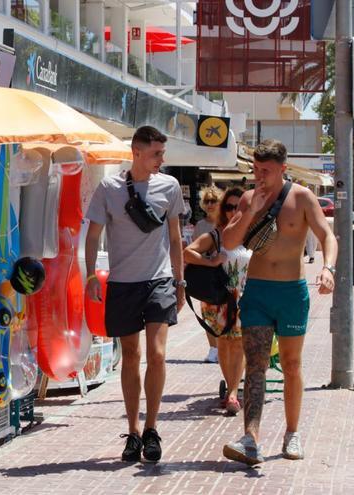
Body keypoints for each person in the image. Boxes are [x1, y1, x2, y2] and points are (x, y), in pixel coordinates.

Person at [221, 139, 337, 465]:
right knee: (255, 366)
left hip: (291, 293)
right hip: (257, 291)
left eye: (267, 171)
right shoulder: (247, 199)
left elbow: (327, 236)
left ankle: (292, 433)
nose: (260, 176)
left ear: (283, 169)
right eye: (256, 169)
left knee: (291, 365)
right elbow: (229, 241)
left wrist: (328, 268)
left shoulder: (301, 197)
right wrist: (251, 211)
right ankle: (250, 439)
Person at [84, 125, 186, 464]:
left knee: (156, 355)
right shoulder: (109, 188)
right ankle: (133, 431)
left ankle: (153, 429)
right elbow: (93, 235)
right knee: (130, 355)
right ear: (137, 153)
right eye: (156, 153)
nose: (161, 159)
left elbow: (175, 238)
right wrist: (90, 275)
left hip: (158, 281)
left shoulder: (169, 187)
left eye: (162, 153)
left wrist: (180, 281)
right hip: (123, 283)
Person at [183, 188, 249, 416]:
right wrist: (210, 261)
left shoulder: (252, 235)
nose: (233, 211)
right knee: (224, 343)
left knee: (239, 343)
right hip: (219, 298)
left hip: (244, 297)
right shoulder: (216, 235)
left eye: (238, 207)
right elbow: (187, 253)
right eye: (229, 207)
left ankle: (232, 392)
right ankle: (231, 387)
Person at [193, 185, 223, 363]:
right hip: (207, 273)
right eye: (207, 201)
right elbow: (195, 250)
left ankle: (224, 347)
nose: (210, 204)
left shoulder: (226, 223)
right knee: (208, 313)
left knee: (225, 312)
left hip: (225, 273)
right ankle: (213, 349)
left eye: (214, 200)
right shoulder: (201, 225)